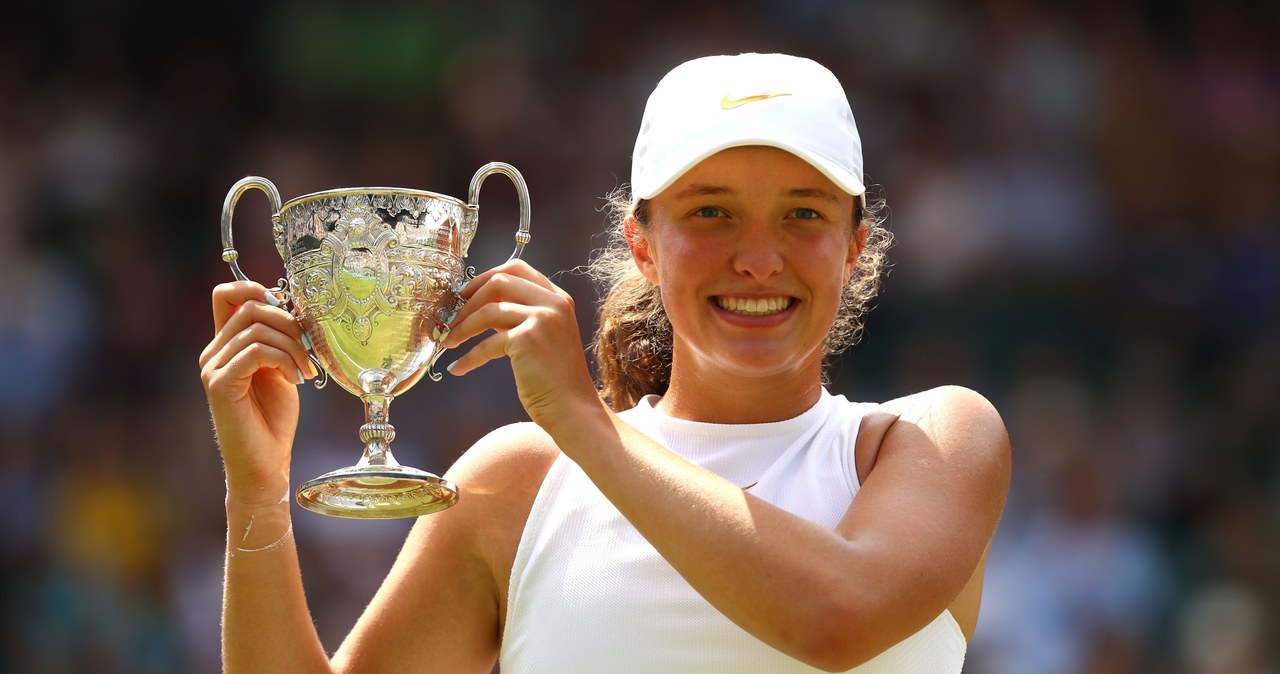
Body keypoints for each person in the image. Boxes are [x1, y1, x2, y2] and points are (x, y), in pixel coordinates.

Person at [199, 52, 1011, 673]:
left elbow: (837, 619)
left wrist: (582, 420)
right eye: (712, 213)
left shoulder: (938, 437)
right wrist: (257, 490)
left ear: (855, 246)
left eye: (803, 213)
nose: (759, 258)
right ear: (642, 245)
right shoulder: (515, 483)